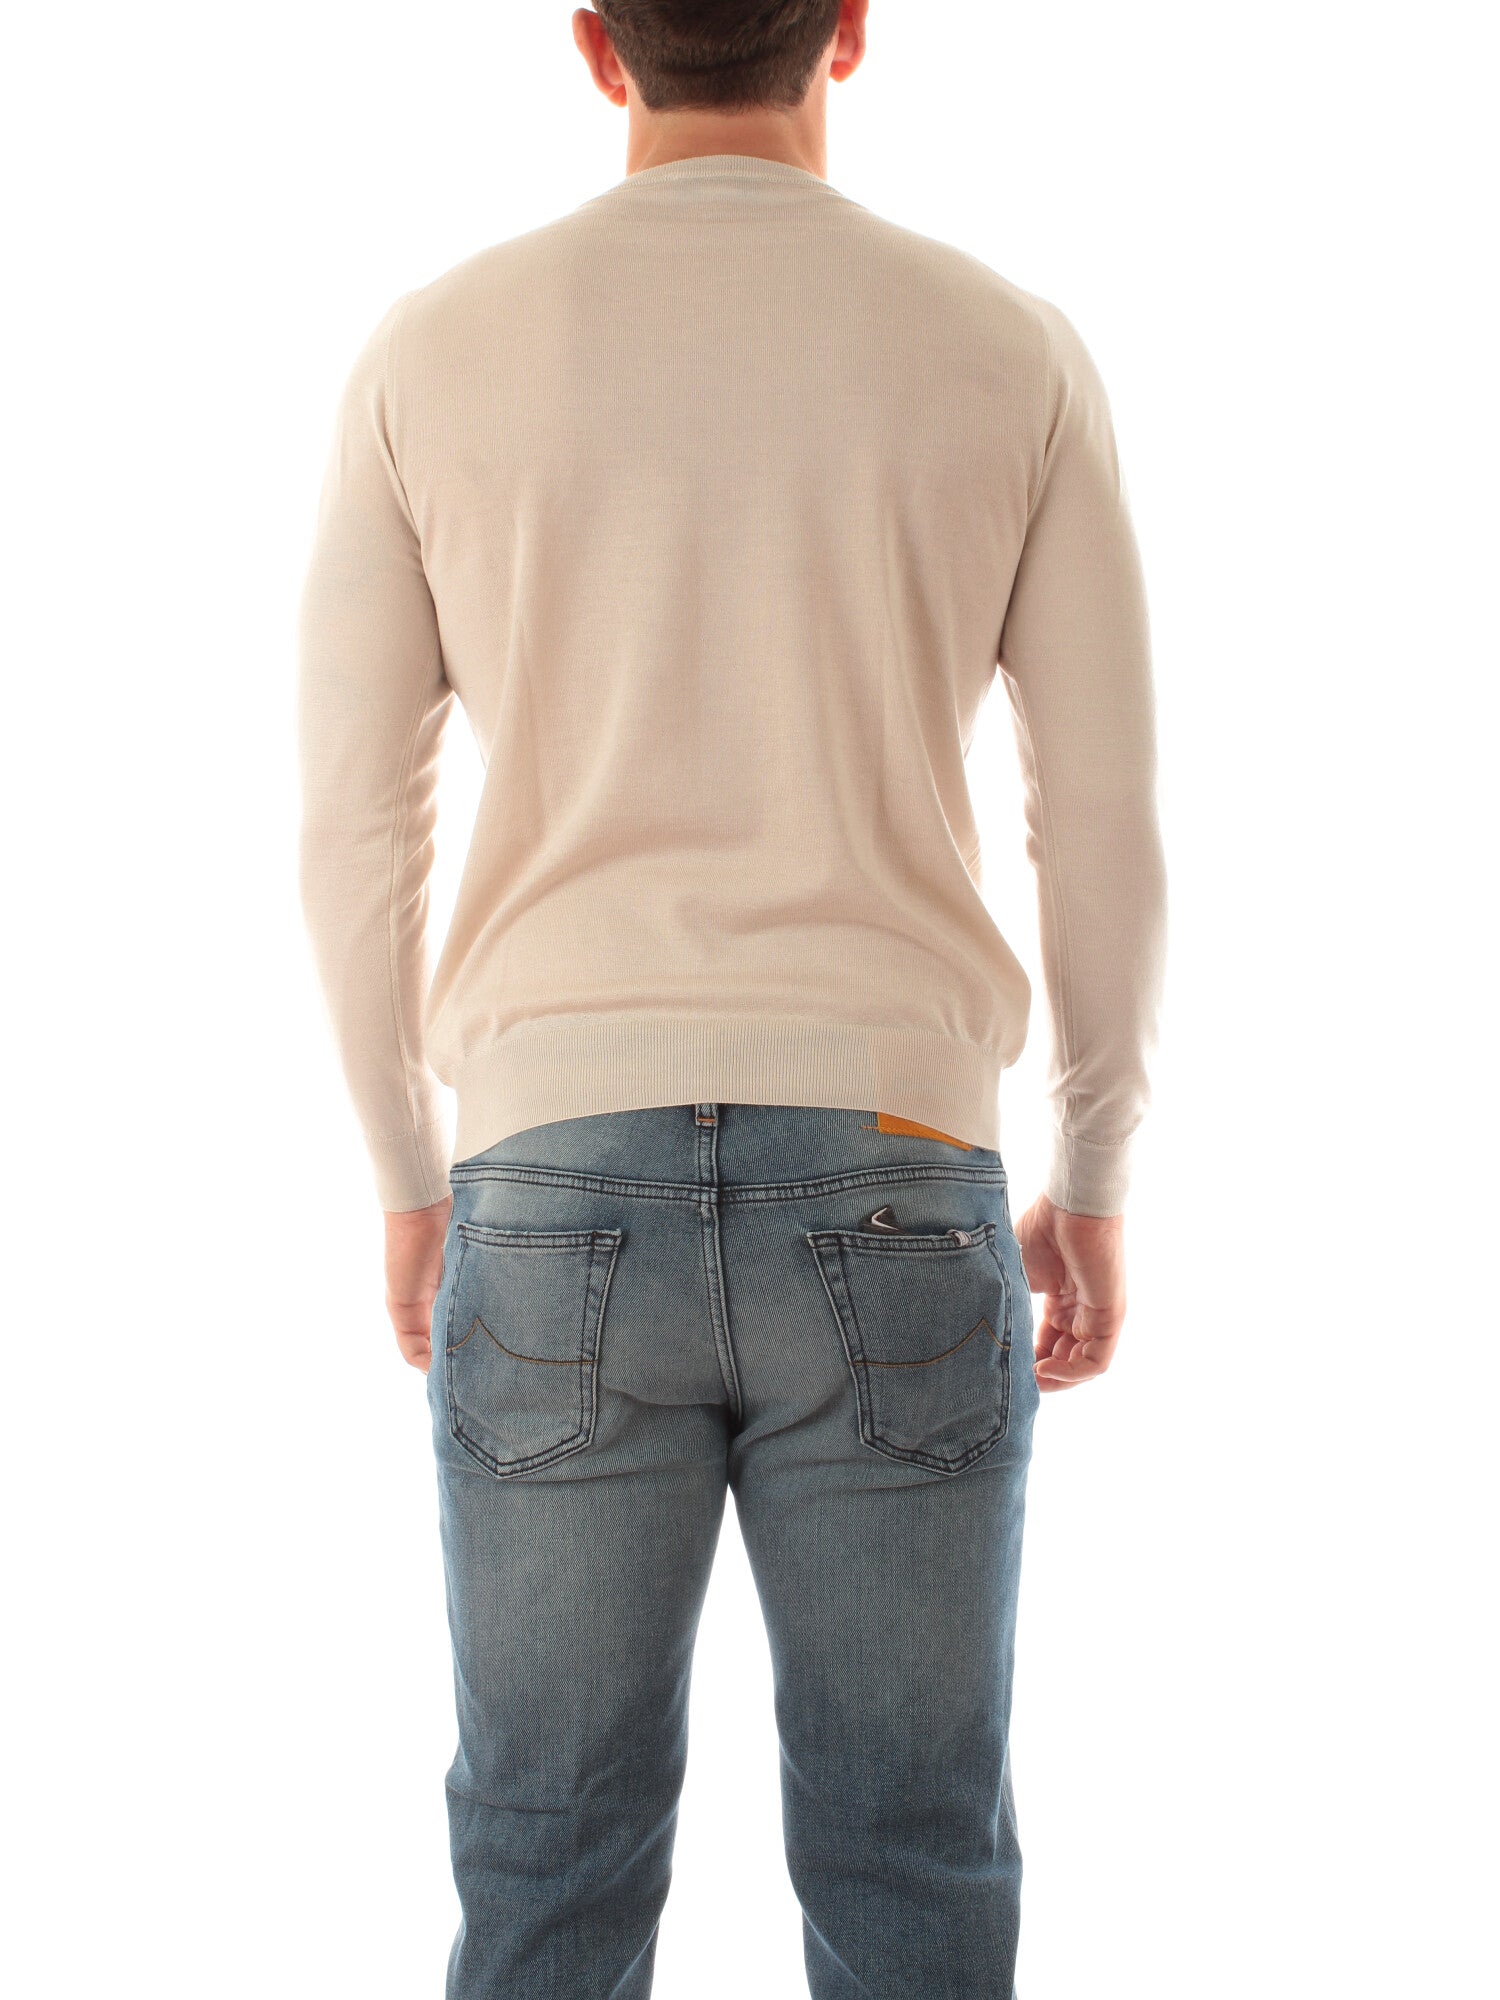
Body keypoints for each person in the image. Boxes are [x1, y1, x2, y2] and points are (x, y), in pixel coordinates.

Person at [295, 2, 1167, 1992]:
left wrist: (411, 1169)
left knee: (543, 1858)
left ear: (596, 45)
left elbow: (353, 819)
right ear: (848, 29)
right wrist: (1098, 1168)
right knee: (913, 1850)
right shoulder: (1006, 349)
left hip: (548, 1175)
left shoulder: (434, 353)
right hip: (899, 1164)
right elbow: (1103, 809)